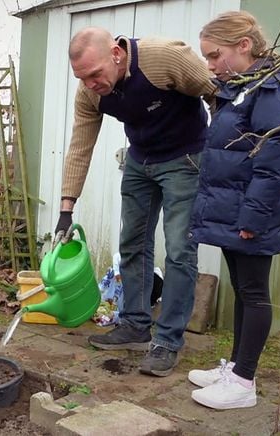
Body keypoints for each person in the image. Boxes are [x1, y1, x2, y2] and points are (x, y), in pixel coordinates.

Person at [57, 27, 216, 376]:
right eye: (81, 78)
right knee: (132, 244)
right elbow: (81, 145)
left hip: (185, 159)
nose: (89, 84)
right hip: (140, 160)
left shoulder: (164, 58)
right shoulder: (90, 93)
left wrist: (223, 158)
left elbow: (216, 94)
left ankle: (168, 341)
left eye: (95, 74)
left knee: (178, 249)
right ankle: (135, 325)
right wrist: (65, 210)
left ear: (116, 53)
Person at [188, 11, 280, 410]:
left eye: (213, 55)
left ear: (243, 46)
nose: (208, 65)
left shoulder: (272, 90)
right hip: (234, 208)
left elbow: (277, 162)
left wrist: (252, 219)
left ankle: (243, 383)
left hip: (252, 214)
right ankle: (236, 367)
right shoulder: (243, 86)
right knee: (243, 290)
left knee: (254, 293)